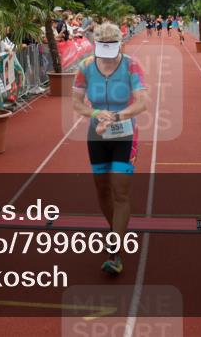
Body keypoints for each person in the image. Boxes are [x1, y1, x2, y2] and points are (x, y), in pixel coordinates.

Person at [71, 22, 149, 276]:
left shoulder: (131, 65)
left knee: (120, 191)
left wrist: (117, 116)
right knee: (102, 188)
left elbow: (142, 102)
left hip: (125, 134)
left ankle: (114, 249)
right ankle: (117, 230)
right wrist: (95, 113)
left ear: (119, 44)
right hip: (97, 134)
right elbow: (77, 103)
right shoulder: (84, 67)